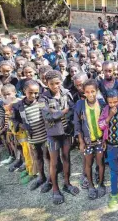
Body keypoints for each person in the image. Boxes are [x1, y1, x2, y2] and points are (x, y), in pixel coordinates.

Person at [40, 70, 78, 204]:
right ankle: (55, 189)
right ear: (46, 83)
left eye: (57, 83)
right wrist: (62, 112)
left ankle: (67, 183)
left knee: (66, 157)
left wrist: (68, 120)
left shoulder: (66, 94)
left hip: (66, 133)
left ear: (61, 82)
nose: (55, 86)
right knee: (54, 162)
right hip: (53, 135)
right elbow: (47, 116)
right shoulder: (43, 98)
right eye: (52, 84)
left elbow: (73, 110)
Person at [74, 79, 107, 200]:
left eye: (93, 91)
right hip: (87, 142)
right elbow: (77, 124)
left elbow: (105, 123)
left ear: (97, 91)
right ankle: (91, 186)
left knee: (100, 163)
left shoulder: (102, 103)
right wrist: (81, 142)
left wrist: (104, 139)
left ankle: (101, 184)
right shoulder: (80, 105)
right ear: (84, 92)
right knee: (88, 164)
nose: (90, 94)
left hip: (99, 140)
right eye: (87, 92)